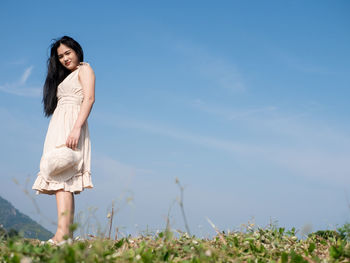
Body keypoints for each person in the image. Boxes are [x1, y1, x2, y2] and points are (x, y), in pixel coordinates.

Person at [32, 35, 95, 245]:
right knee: (62, 182)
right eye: (60, 56)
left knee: (63, 180)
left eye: (68, 53)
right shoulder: (65, 76)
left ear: (77, 50)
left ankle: (62, 235)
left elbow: (89, 98)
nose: (65, 58)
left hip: (71, 125)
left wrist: (76, 128)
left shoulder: (84, 69)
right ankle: (64, 235)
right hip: (59, 127)